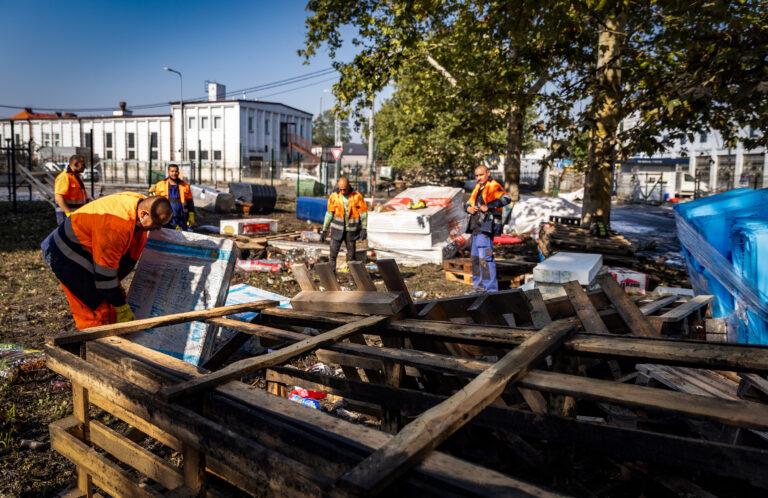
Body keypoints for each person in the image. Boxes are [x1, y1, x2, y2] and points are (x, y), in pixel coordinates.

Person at [41, 192, 172, 330]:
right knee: (95, 310)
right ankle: (93, 345)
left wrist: (116, 297)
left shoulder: (140, 204)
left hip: (87, 246)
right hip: (66, 253)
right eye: (157, 223)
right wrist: (121, 306)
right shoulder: (116, 226)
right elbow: (105, 277)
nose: (158, 228)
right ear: (144, 214)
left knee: (109, 304)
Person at [466, 164, 512, 292]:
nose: (478, 177)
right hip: (475, 227)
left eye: (481, 175)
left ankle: (490, 290)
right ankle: (479, 287)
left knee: (485, 259)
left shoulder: (493, 185)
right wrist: (468, 208)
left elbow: (507, 198)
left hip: (486, 228)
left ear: (488, 174)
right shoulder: (478, 187)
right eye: (476, 175)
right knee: (475, 259)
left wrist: (489, 206)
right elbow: (468, 203)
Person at [321, 177, 368, 271]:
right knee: (333, 255)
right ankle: (332, 277)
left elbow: (363, 213)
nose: (342, 191)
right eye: (341, 189)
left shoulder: (357, 196)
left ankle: (353, 277)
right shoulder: (334, 196)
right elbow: (329, 214)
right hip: (336, 230)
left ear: (349, 186)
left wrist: (364, 228)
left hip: (351, 231)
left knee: (351, 256)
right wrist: (324, 229)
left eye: (344, 189)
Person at [151, 163, 196, 230]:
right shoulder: (160, 185)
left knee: (181, 237)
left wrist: (191, 215)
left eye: (176, 171)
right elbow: (153, 202)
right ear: (168, 172)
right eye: (172, 171)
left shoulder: (185, 186)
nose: (174, 173)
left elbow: (190, 202)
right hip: (165, 218)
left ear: (178, 172)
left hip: (181, 218)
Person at [53, 154, 89, 224]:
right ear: (76, 164)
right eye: (83, 165)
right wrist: (69, 213)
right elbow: (58, 197)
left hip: (75, 215)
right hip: (66, 216)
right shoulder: (64, 177)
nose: (85, 167)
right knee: (66, 234)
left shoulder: (76, 177)